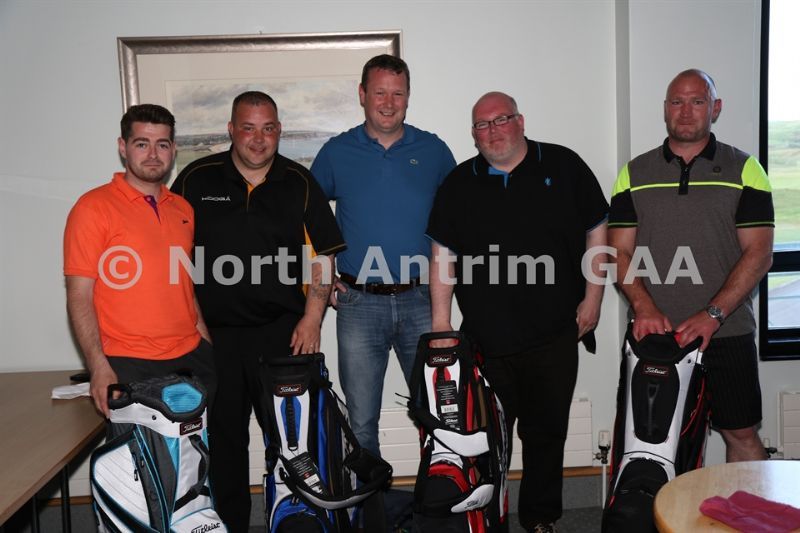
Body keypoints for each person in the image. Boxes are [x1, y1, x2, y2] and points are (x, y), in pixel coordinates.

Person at [427, 91, 608, 533]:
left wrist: (594, 298)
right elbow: (442, 255)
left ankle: (540, 518)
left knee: (547, 434)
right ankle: (490, 517)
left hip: (555, 333)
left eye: (501, 119)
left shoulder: (564, 166)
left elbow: (597, 229)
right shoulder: (459, 183)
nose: (492, 131)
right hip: (486, 339)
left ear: (521, 121)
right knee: (487, 439)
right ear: (473, 135)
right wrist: (441, 324)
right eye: (482, 125)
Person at [171, 91, 344, 532]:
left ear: (279, 131)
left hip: (283, 334)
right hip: (215, 337)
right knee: (224, 441)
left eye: (268, 128)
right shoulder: (196, 179)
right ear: (231, 130)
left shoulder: (299, 182)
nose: (258, 138)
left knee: (290, 440)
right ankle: (230, 524)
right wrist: (191, 324)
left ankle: (293, 522)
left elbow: (323, 257)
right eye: (248, 128)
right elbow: (173, 256)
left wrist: (312, 318)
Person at [608, 69, 774, 463]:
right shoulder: (634, 173)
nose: (686, 111)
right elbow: (618, 253)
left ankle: (748, 507)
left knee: (741, 435)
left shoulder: (745, 169)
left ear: (715, 108)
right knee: (650, 443)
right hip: (654, 334)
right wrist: (644, 307)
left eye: (697, 101)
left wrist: (712, 315)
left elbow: (759, 254)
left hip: (726, 331)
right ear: (665, 108)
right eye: (677, 102)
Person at [310, 55, 456, 456]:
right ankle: (368, 496)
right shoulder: (336, 152)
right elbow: (308, 220)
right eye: (380, 93)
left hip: (423, 302)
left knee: (437, 413)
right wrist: (323, 279)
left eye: (398, 94)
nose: (389, 103)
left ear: (408, 97)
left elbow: (456, 221)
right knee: (361, 420)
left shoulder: (434, 151)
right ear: (362, 94)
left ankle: (439, 492)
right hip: (358, 304)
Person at [64, 103, 216, 419]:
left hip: (191, 359)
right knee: (140, 452)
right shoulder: (93, 208)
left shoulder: (183, 209)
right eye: (142, 144)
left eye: (162, 144)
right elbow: (79, 295)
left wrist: (205, 343)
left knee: (196, 450)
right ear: (123, 147)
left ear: (173, 149)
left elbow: (183, 283)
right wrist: (98, 366)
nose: (153, 154)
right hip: (128, 364)